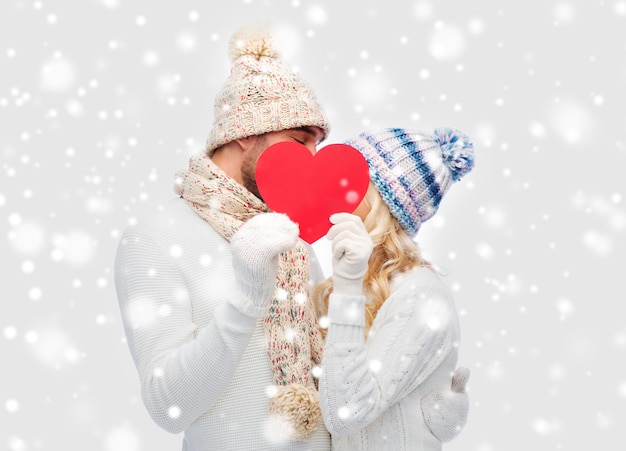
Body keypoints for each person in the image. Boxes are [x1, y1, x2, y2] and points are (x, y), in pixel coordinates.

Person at [114, 24, 332, 450]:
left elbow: (336, 385)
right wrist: (246, 302)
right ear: (246, 132)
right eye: (299, 141)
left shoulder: (294, 241)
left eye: (318, 148)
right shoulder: (154, 237)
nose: (311, 161)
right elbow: (168, 406)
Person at [315, 127, 475, 450]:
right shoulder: (360, 282)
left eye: (351, 181)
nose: (335, 188)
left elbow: (346, 412)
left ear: (382, 203)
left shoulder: (421, 296)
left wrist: (346, 287)